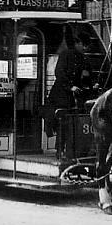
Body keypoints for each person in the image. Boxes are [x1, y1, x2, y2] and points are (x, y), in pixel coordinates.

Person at [46, 31, 92, 159]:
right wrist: (70, 87)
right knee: (63, 123)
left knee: (74, 124)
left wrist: (90, 84)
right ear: (77, 43)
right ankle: (59, 150)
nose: (85, 48)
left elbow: (87, 76)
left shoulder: (84, 59)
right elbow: (59, 73)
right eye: (83, 45)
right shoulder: (65, 55)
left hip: (75, 98)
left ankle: (72, 151)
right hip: (61, 96)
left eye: (87, 46)